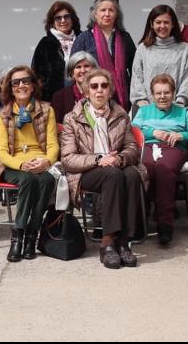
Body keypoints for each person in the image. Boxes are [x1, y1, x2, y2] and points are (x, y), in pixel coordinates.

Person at [61, 68, 147, 269]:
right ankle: (108, 242)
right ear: (86, 91)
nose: (99, 90)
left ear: (110, 91)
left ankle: (125, 242)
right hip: (86, 170)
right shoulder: (72, 118)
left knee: (133, 174)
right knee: (112, 176)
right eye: (94, 86)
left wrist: (121, 158)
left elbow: (132, 147)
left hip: (115, 165)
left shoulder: (120, 114)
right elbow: (67, 158)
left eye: (104, 86)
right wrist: (99, 159)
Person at [0, 65, 59, 262]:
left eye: (25, 81)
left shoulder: (47, 110)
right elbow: (2, 153)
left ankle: (32, 235)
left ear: (33, 86)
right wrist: (22, 165)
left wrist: (46, 161)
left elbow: (53, 145)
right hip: (14, 166)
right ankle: (18, 236)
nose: (21, 85)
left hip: (41, 162)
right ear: (10, 88)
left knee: (47, 180)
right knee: (29, 180)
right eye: (16, 82)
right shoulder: (4, 115)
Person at [132, 73, 188, 245]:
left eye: (166, 92)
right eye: (158, 93)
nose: (162, 96)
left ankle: (165, 224)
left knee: (164, 169)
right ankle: (140, 220)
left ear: (173, 93)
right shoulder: (143, 111)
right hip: (148, 146)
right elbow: (131, 130)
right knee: (144, 170)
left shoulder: (182, 113)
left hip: (173, 147)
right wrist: (152, 132)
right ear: (152, 95)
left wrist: (181, 135)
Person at [71, 0, 137, 108]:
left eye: (111, 10)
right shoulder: (83, 38)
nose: (107, 14)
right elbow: (73, 70)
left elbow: (134, 69)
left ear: (116, 15)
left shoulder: (125, 37)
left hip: (123, 97)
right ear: (95, 14)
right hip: (94, 97)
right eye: (103, 10)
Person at [130, 5, 188, 108]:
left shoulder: (184, 48)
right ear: (151, 24)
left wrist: (180, 101)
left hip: (176, 108)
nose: (162, 26)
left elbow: (187, 77)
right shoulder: (143, 48)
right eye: (158, 22)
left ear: (173, 24)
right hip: (148, 108)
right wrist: (142, 102)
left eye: (166, 22)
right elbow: (137, 77)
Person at [31, 0, 80, 104]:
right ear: (52, 22)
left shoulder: (83, 39)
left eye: (66, 16)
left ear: (72, 19)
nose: (63, 20)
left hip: (82, 96)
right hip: (53, 99)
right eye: (58, 18)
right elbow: (36, 75)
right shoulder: (45, 43)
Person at [53, 51, 96, 119]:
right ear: (72, 73)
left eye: (86, 66)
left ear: (94, 70)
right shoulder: (59, 96)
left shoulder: (103, 92)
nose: (83, 70)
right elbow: (57, 124)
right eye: (78, 67)